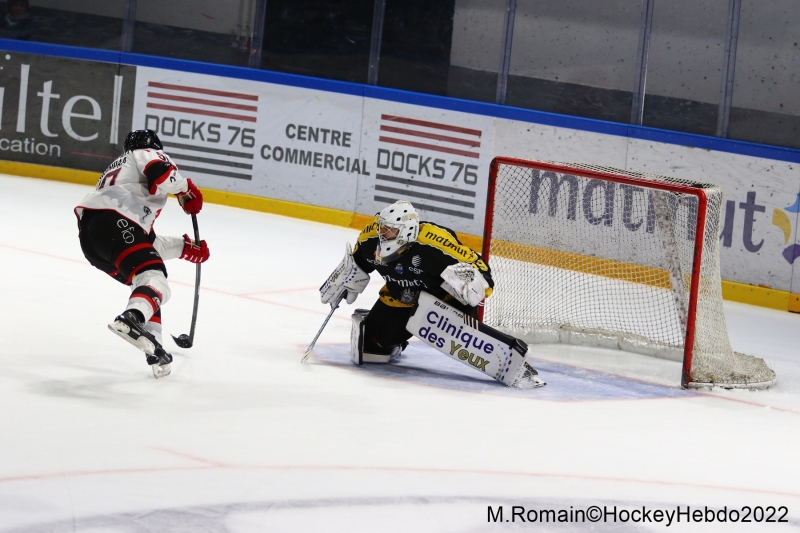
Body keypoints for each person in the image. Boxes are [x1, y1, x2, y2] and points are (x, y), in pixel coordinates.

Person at [318, 200, 543, 388]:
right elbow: (358, 262)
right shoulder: (371, 239)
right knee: (370, 349)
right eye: (382, 228)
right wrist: (348, 274)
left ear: (406, 231)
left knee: (472, 346)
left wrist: (472, 281)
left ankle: (514, 364)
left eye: (390, 230)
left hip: (445, 305)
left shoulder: (435, 242)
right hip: (400, 301)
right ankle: (396, 341)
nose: (383, 233)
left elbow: (481, 269)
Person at [74, 129, 209, 378]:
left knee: (145, 282)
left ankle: (153, 347)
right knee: (155, 279)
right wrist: (185, 189)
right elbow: (160, 171)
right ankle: (132, 318)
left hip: (93, 239)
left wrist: (184, 246)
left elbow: (145, 242)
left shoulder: (120, 175)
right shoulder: (145, 153)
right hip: (116, 222)